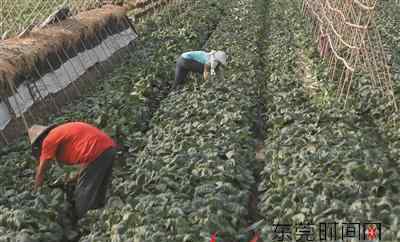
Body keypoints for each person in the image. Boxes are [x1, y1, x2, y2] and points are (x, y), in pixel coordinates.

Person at [28, 121, 117, 221]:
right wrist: (74, 178)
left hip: (96, 153)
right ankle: (106, 218)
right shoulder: (61, 132)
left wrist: (36, 192)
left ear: (39, 141)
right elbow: (86, 163)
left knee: (83, 199)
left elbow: (41, 171)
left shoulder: (48, 140)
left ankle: (88, 224)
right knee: (99, 191)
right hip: (109, 148)